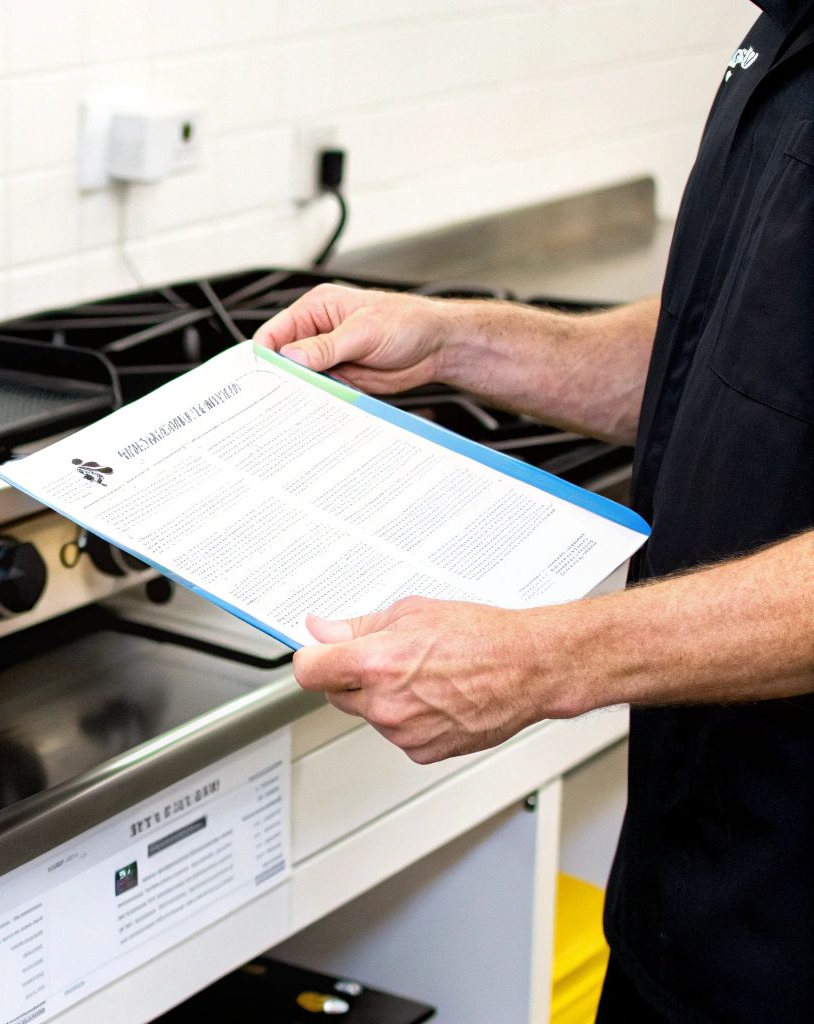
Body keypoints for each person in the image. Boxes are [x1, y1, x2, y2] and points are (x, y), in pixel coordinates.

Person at [250, 4, 814, 1020]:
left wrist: (541, 660)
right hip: (690, 901)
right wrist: (455, 343)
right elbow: (728, 349)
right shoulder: (781, 36)